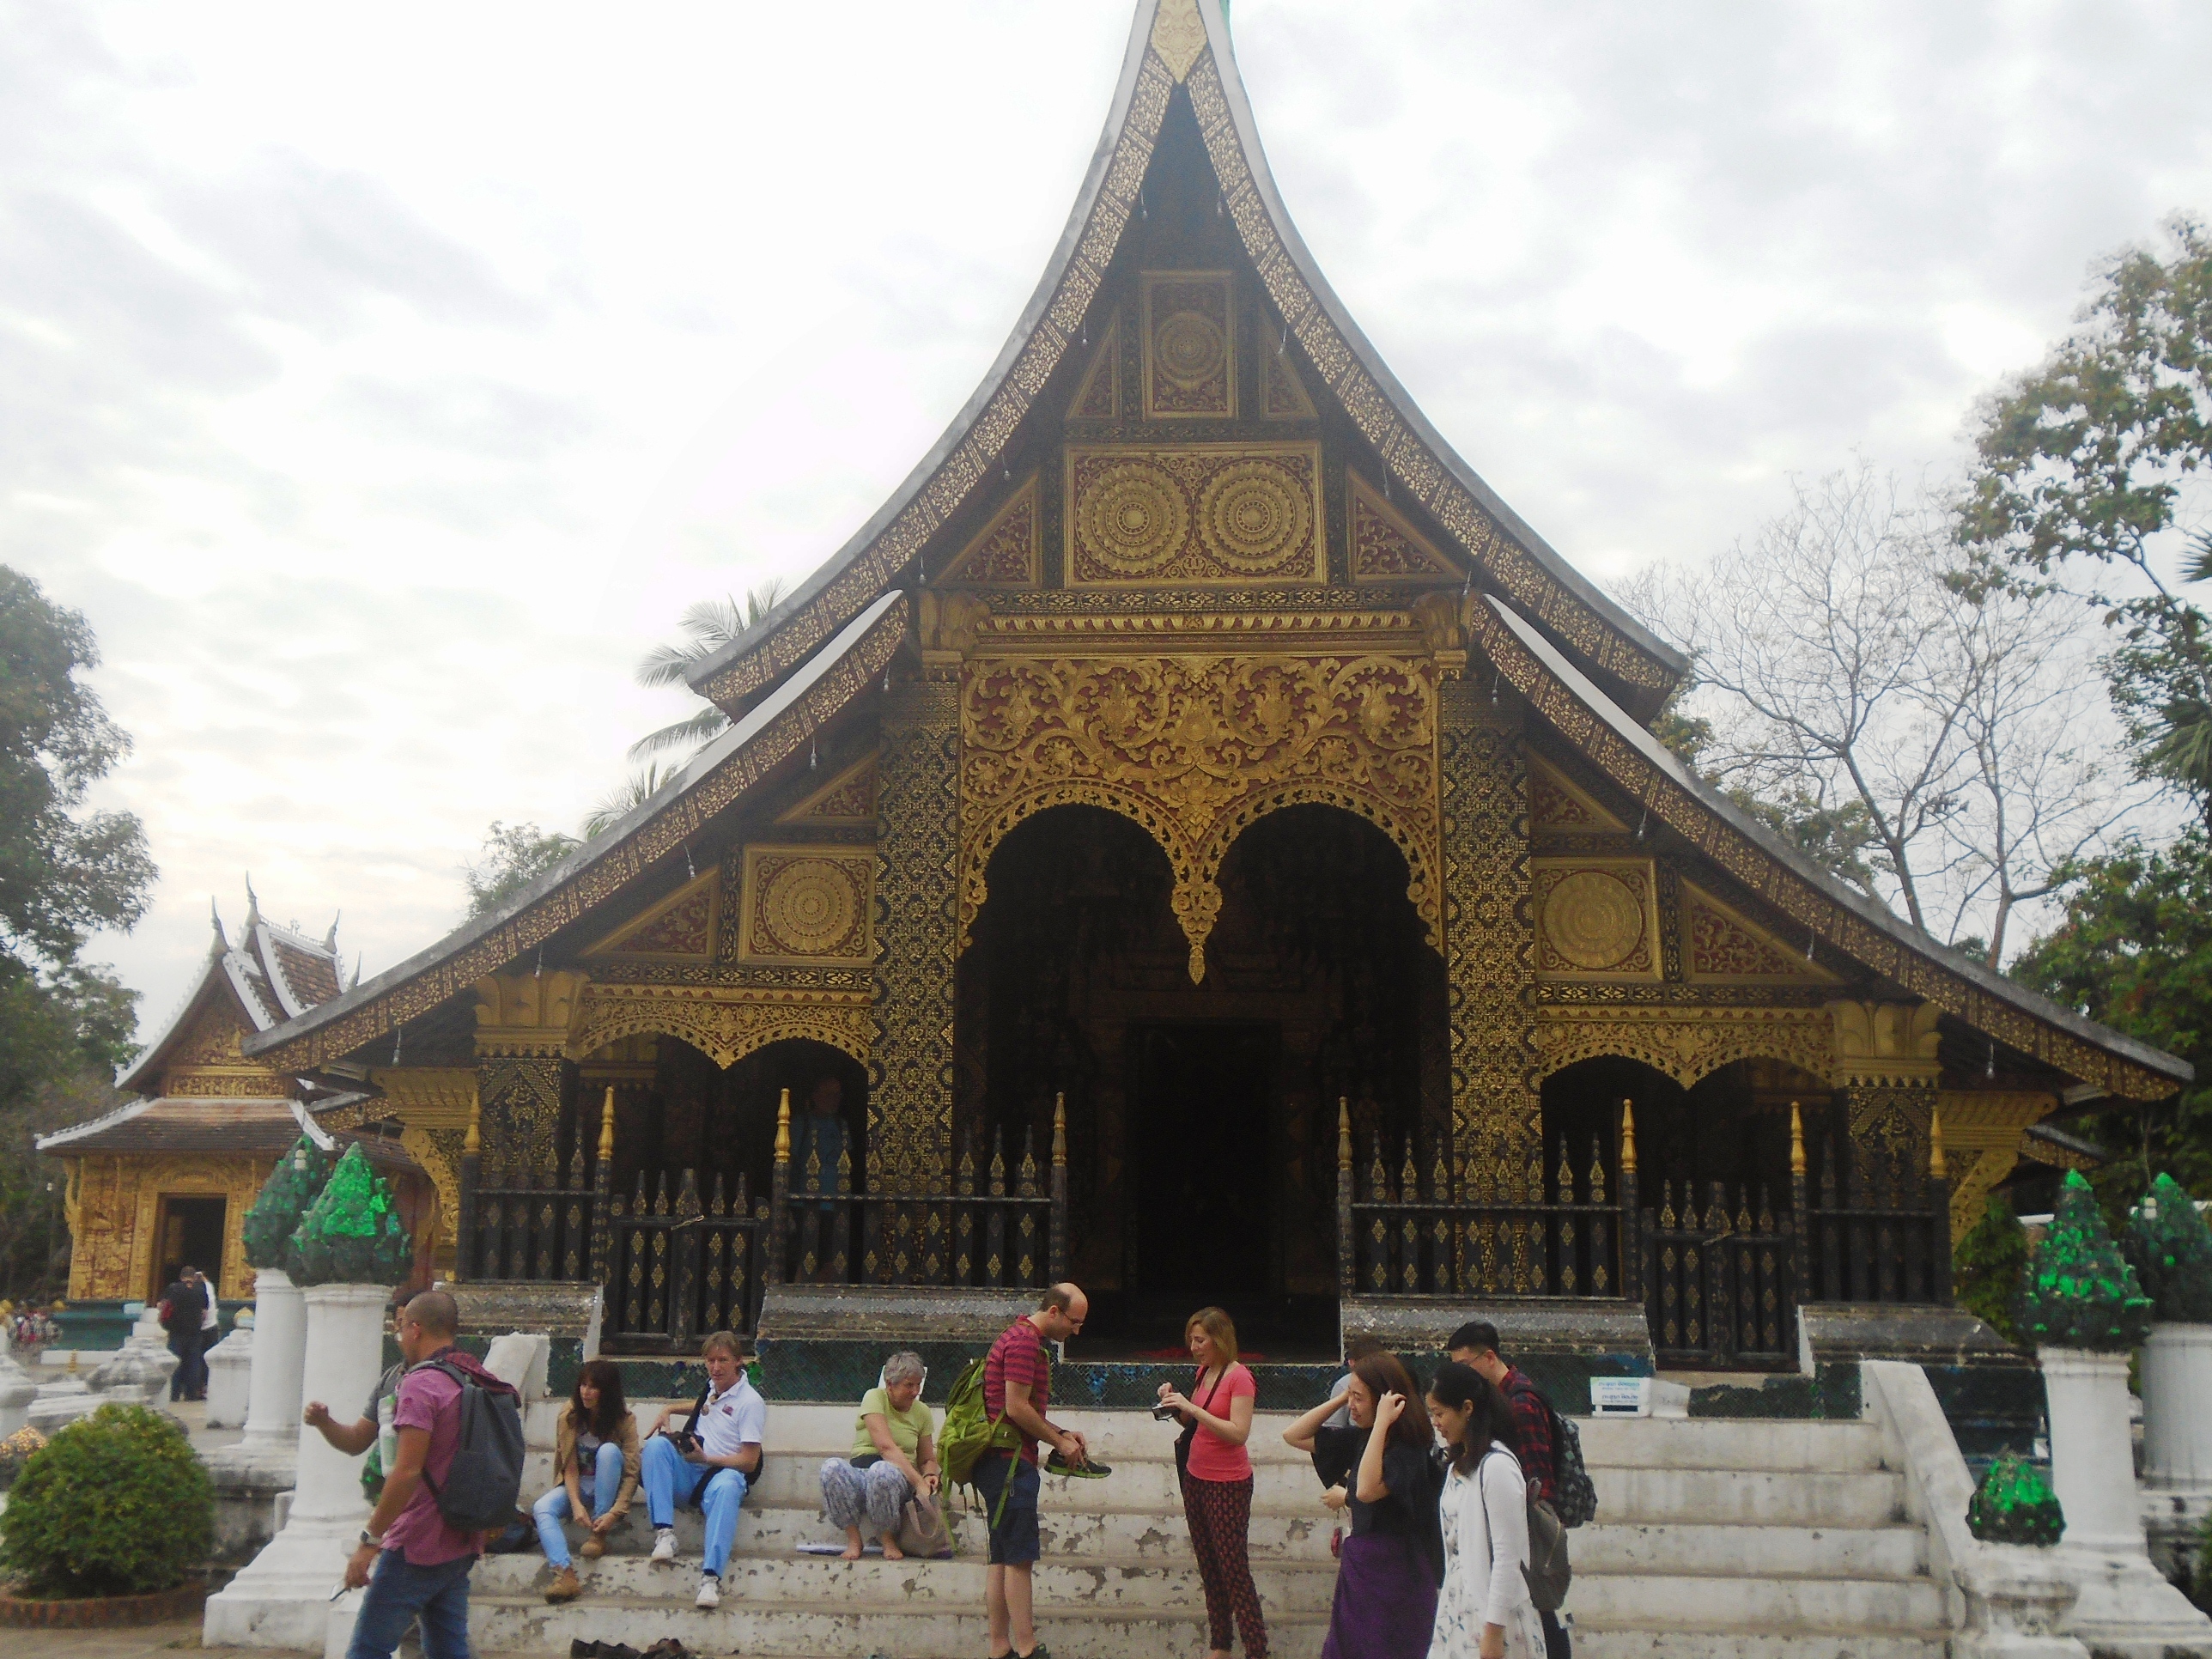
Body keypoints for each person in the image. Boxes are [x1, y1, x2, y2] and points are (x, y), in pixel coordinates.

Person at [336, 1290, 519, 1659]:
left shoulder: (420, 1385)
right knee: (447, 1649)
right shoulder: (473, 1377)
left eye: (401, 1327)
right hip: (461, 1532)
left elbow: (405, 1472)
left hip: (416, 1541)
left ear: (415, 1329)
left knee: (367, 1650)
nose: (399, 1335)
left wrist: (369, 1542)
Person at [1285, 1352, 1442, 1659]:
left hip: (1396, 1567)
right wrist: (1344, 1398)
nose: (1352, 1407)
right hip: (1364, 1559)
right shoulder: (1363, 1437)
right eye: (1351, 1397)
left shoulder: (1408, 1445)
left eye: (1359, 1398)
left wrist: (1383, 1421)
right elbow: (1294, 1435)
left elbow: (1367, 1490)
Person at [977, 1281, 1095, 1659]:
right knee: (1019, 1557)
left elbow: (1018, 1408)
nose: (1076, 1331)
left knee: (1002, 1556)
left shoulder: (1017, 1335)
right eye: (1074, 1322)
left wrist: (1060, 1432)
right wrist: (1059, 1443)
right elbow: (1016, 1407)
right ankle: (1027, 1649)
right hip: (1009, 1461)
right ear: (1055, 1312)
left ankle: (1000, 1647)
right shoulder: (1027, 1342)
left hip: (1000, 1459)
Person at [1450, 1322, 1569, 1659]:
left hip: (1527, 1531)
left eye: (1464, 1366)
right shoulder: (1501, 1399)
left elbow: (1538, 1481)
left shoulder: (1521, 1403)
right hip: (1511, 1528)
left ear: (1489, 1357)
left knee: (1542, 1611)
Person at [1156, 1306, 1266, 1659]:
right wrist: (1174, 1404)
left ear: (1219, 1340)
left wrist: (1195, 1409)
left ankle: (1256, 1648)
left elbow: (1238, 1433)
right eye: (1191, 1339)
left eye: (1200, 1339)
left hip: (1227, 1483)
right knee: (1209, 1567)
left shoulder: (1240, 1378)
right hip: (1196, 1476)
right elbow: (1192, 1422)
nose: (1194, 1346)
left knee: (1234, 1569)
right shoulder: (1205, 1372)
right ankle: (1220, 1644)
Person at [1425, 1360, 1547, 1659]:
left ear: (1467, 1408)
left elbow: (1508, 1554)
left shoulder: (1497, 1467)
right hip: (1457, 1605)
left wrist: (1493, 1630)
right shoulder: (1458, 1464)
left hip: (1494, 1614)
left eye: (1440, 1413)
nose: (1436, 1423)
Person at [640, 1329, 766, 1610]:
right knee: (656, 1447)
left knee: (729, 1485)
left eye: (723, 1360)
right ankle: (665, 1534)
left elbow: (749, 1461)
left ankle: (710, 1579)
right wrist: (670, 1409)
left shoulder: (751, 1403)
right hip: (692, 1470)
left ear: (738, 1362)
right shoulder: (712, 1388)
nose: (716, 1367)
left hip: (719, 1474)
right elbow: (706, 1406)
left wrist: (706, 1459)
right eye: (710, 1361)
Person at [533, 1358, 641, 1601]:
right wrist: (576, 1504)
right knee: (541, 1508)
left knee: (609, 1451)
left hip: (607, 1488)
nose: (585, 1392)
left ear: (607, 1391)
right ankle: (564, 1573)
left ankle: (598, 1534)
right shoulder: (568, 1416)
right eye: (583, 1385)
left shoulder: (625, 1420)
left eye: (593, 1387)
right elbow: (568, 1467)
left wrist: (614, 1513)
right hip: (578, 1485)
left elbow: (632, 1473)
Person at [818, 1350, 938, 1560]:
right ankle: (854, 1539)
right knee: (831, 1468)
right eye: (909, 1385)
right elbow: (885, 1447)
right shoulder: (874, 1397)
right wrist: (919, 1481)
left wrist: (928, 1475)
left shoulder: (922, 1412)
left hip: (896, 1479)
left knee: (882, 1471)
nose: (915, 1391)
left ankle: (888, 1540)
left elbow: (927, 1458)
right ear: (890, 1384)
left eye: (918, 1385)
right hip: (862, 1472)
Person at [161, 1267, 212, 1401]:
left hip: (176, 1331)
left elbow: (163, 1306)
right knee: (194, 1363)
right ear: (194, 1277)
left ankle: (174, 1393)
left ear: (181, 1276)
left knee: (175, 1362)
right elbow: (205, 1312)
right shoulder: (200, 1290)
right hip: (195, 1331)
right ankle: (191, 1393)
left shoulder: (174, 1289)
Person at [1326, 1332, 1387, 1430]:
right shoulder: (1344, 1385)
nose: (1351, 1405)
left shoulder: (1391, 1380)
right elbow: (1333, 1427)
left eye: (1358, 1398)